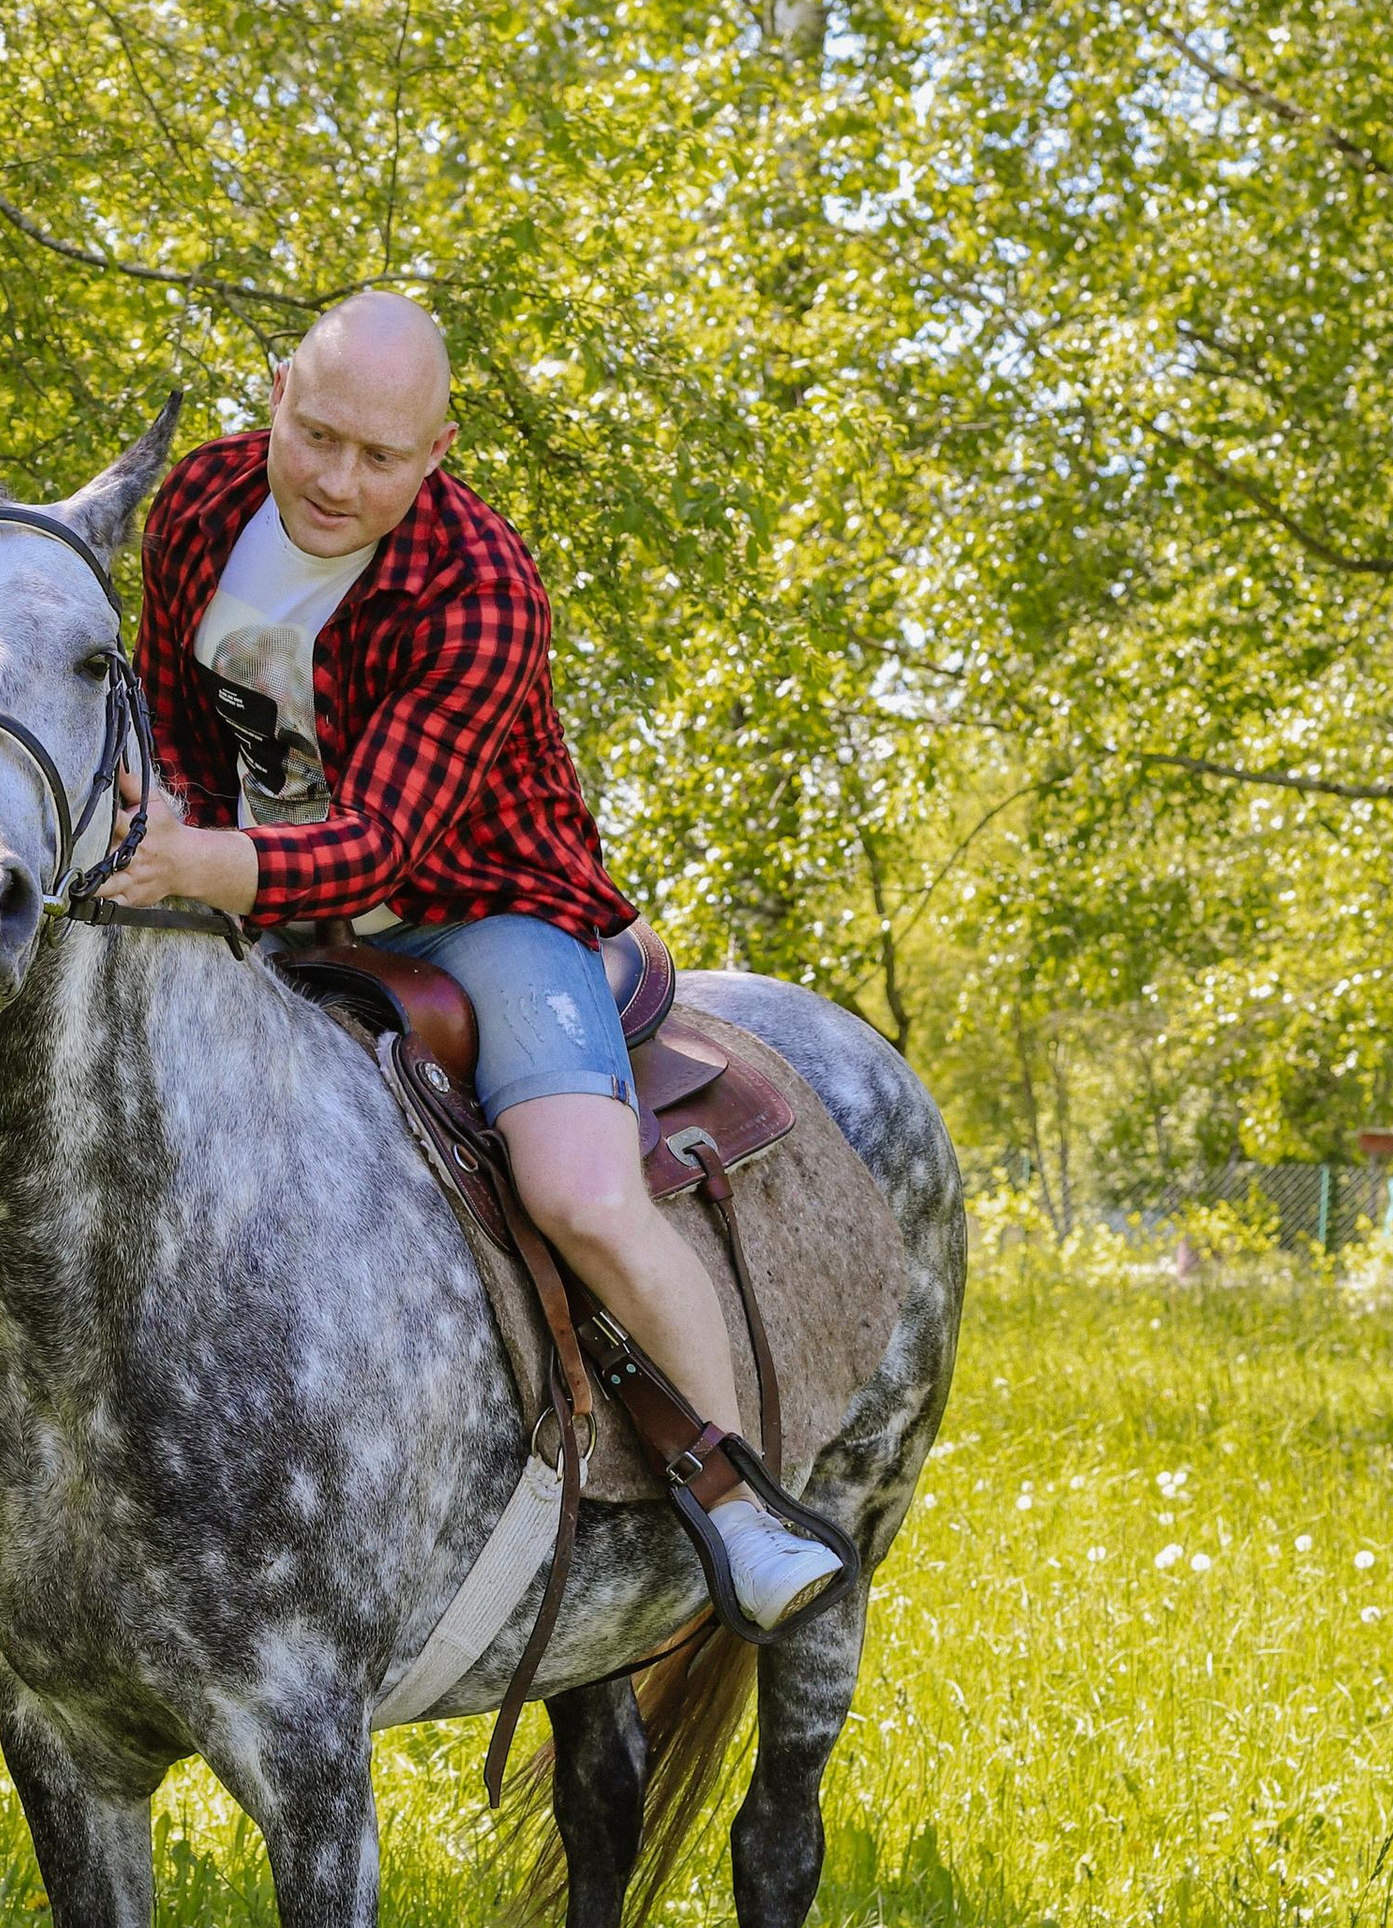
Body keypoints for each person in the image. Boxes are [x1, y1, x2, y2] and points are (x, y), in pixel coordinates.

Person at [103, 289, 840, 1628]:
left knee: (580, 1194)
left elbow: (382, 849)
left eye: (381, 459)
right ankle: (62, 1493)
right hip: (241, 876)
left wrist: (192, 865)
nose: (335, 482)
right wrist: (158, 830)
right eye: (315, 435)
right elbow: (165, 707)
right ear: (276, 394)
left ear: (437, 450)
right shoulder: (204, 502)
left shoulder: (481, 585)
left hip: (476, 904)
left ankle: (740, 1504)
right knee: (103, 1110)